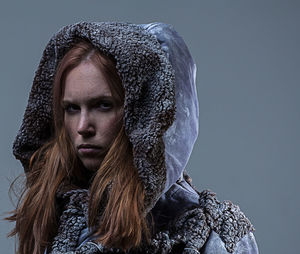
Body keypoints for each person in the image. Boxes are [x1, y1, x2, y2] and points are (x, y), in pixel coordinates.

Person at [8, 22, 259, 254]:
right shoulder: (54, 212)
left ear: (144, 114)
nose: (83, 127)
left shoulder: (211, 233)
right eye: (72, 108)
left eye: (103, 105)